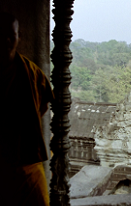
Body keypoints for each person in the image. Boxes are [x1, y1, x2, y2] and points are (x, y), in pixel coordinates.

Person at [0, 12, 53, 206]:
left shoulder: (31, 73)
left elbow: (43, 106)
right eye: (1, 34)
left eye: (11, 35)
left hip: (27, 163)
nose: (6, 40)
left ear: (18, 38)